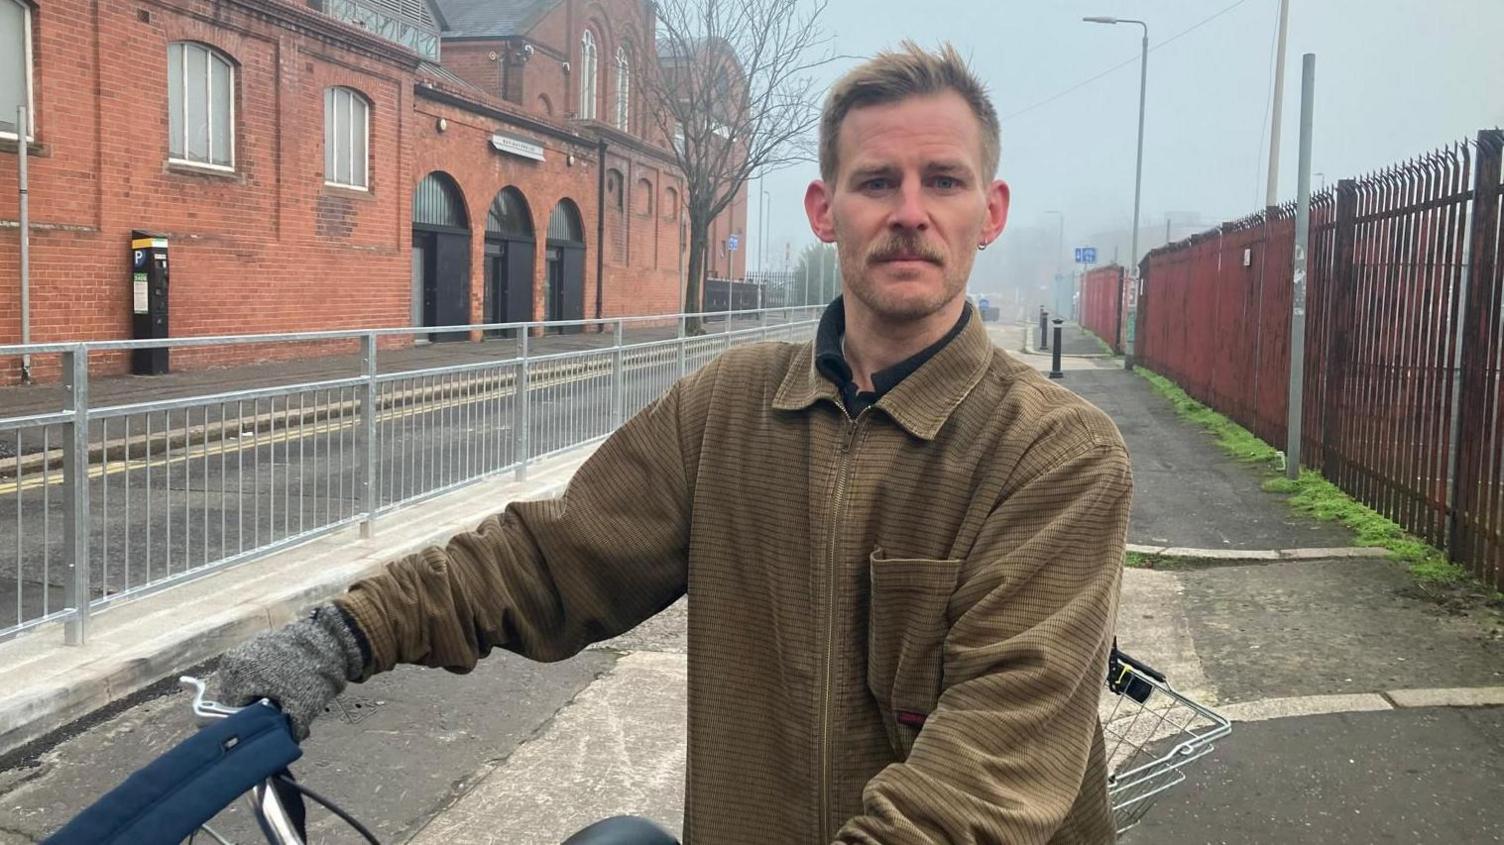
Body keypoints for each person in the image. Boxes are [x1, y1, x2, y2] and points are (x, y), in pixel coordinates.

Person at [216, 41, 1132, 844]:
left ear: (992, 209)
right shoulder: (729, 411)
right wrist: (344, 634)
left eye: (944, 180)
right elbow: (546, 558)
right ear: (825, 209)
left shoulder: (1054, 457)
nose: (909, 211)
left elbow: (985, 774)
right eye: (875, 181)